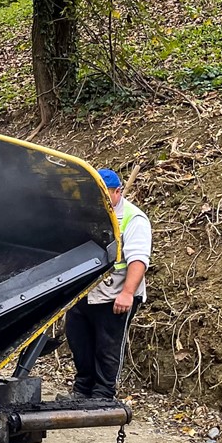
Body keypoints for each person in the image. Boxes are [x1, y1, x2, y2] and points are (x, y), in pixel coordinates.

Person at [64, 168, 152, 400]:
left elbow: (139, 260)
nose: (99, 199)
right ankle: (82, 391)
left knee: (107, 347)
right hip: (86, 291)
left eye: (105, 194)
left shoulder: (134, 219)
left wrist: (127, 293)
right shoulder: (91, 212)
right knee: (79, 342)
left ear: (117, 192)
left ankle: (102, 395)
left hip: (115, 294)